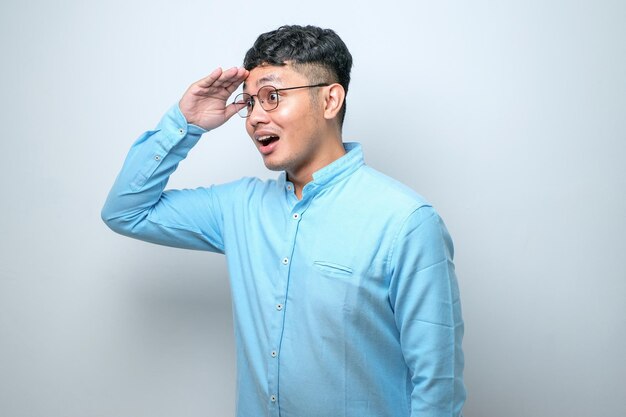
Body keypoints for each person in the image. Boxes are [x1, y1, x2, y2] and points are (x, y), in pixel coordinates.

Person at [102, 24, 466, 417]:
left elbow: (437, 386)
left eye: (272, 97)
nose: (255, 117)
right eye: (250, 101)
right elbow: (127, 211)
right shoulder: (239, 207)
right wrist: (183, 124)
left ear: (330, 100)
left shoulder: (406, 222)